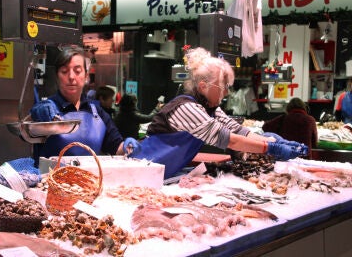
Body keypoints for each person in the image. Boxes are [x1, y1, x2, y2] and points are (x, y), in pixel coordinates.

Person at [129, 47, 308, 179]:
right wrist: (270, 148)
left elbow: (237, 130)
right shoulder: (186, 108)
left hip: (162, 173)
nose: (227, 93)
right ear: (202, 86)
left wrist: (272, 140)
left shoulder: (210, 107)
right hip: (139, 172)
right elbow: (229, 139)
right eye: (223, 87)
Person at [29, 47, 140, 163]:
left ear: (86, 76)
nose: (71, 77)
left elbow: (116, 147)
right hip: (50, 178)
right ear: (57, 76)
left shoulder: (97, 112)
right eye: (64, 71)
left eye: (77, 71)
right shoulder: (46, 109)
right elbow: (26, 132)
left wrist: (128, 146)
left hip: (89, 178)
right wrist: (36, 114)